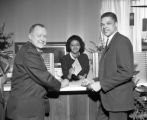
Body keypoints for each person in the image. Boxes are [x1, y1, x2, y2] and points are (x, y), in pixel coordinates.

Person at [5, 24, 69, 120]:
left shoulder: (29, 50)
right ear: (30, 36)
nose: (43, 39)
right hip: (26, 111)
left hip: (25, 109)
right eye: (39, 35)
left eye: (44, 36)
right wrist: (61, 84)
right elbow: (44, 77)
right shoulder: (29, 52)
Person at [82, 12, 135, 120]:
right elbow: (110, 71)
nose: (104, 26)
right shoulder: (110, 42)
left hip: (117, 101)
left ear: (116, 24)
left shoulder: (122, 41)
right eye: (102, 24)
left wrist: (101, 84)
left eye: (108, 23)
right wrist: (93, 80)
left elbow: (126, 72)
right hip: (109, 100)